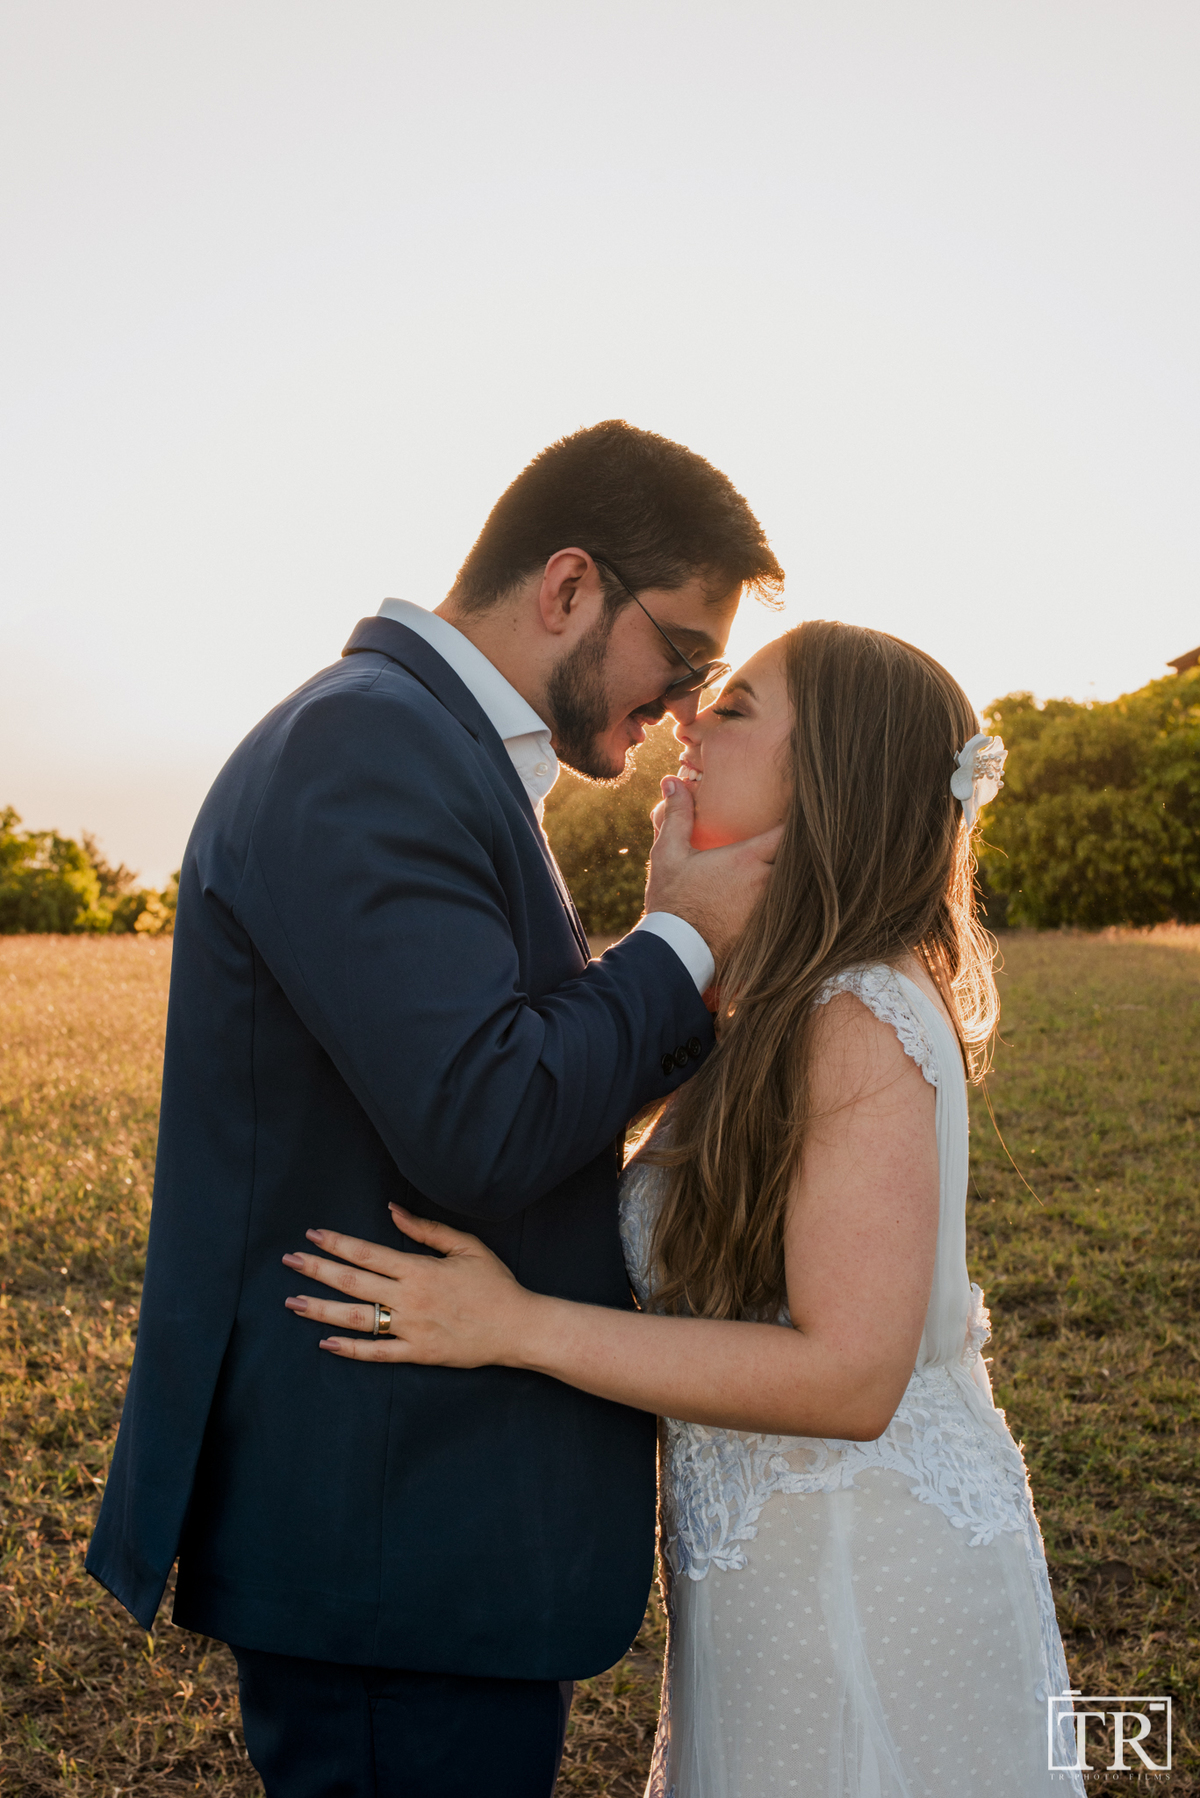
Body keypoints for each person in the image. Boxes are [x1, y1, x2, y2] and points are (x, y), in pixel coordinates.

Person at [86, 420, 786, 1798]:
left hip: (419, 1518)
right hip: (388, 1529)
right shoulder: (365, 744)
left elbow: (504, 1064)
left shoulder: (425, 745)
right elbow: (485, 1113)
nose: (690, 709)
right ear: (570, 585)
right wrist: (676, 946)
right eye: (687, 657)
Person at [284, 620, 1086, 1797]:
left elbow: (848, 1379)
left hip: (868, 1583)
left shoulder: (856, 1013)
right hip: (779, 1585)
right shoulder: (775, 998)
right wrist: (674, 924)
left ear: (831, 777)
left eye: (743, 705)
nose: (694, 718)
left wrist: (512, 1326)